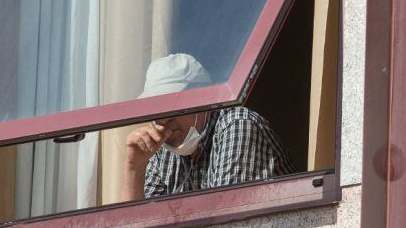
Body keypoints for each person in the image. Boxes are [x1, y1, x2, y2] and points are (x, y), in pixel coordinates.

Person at [120, 53, 294, 202]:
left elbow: (225, 225)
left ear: (202, 98)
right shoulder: (160, 150)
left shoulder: (237, 125)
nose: (164, 120)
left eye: (172, 105)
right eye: (155, 110)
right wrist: (134, 167)